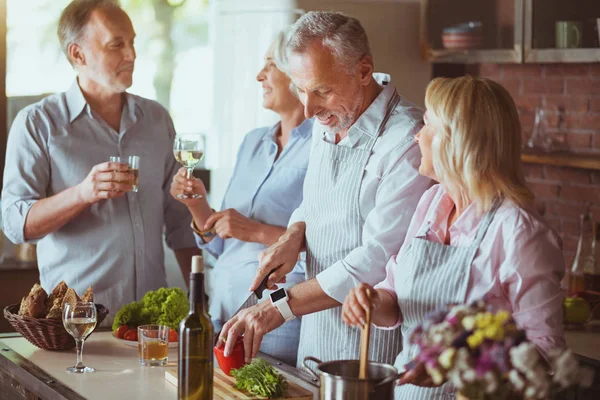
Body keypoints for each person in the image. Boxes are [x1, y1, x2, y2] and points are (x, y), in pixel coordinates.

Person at [217, 11, 432, 367]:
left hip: (370, 347)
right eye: (301, 90)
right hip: (315, 335)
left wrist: (279, 306)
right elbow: (314, 202)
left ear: (364, 71)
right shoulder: (329, 117)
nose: (309, 108)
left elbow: (377, 257)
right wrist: (293, 235)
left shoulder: (406, 141)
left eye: (321, 91)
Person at [341, 76, 566, 399]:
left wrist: (459, 365)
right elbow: (396, 296)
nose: (417, 135)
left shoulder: (520, 233)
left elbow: (545, 353)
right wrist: (371, 302)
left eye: (427, 125)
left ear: (456, 141)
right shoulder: (431, 203)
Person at [1, 0, 198, 324]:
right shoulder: (38, 124)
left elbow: (179, 222)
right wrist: (82, 193)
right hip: (78, 328)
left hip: (151, 326)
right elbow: (15, 223)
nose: (131, 55)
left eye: (132, 42)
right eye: (116, 44)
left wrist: (199, 300)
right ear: (78, 54)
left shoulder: (157, 120)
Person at [169, 30, 312, 366]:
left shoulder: (322, 146)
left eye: (269, 65)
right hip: (222, 312)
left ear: (296, 74)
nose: (259, 75)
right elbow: (220, 242)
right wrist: (197, 205)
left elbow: (326, 244)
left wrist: (256, 231)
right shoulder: (252, 142)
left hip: (276, 322)